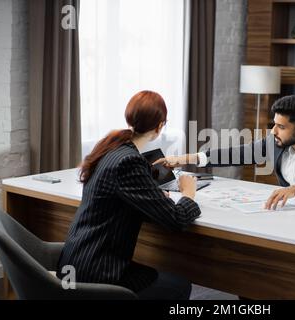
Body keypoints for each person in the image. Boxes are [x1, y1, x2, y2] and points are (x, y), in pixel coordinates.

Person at [56, 90, 201, 300]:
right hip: (97, 273)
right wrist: (188, 193)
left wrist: (154, 198)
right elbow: (176, 220)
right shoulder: (129, 162)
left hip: (77, 263)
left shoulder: (110, 147)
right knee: (179, 286)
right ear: (160, 126)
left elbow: (121, 196)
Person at [154, 95, 295, 209]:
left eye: (280, 127)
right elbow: (238, 153)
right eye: (274, 124)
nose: (273, 131)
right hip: (287, 214)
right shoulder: (277, 140)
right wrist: (184, 158)